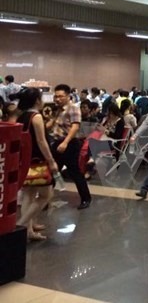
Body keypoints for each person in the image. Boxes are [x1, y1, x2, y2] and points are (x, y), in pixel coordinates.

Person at [13, 88, 59, 241]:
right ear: (37, 100)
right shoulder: (36, 116)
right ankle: (21, 225)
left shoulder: (21, 116)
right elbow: (41, 141)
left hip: (25, 160)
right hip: (38, 161)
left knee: (29, 195)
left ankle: (28, 231)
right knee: (46, 195)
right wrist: (51, 161)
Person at [45, 84, 92, 210]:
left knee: (75, 172)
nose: (57, 99)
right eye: (56, 96)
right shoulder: (57, 109)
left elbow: (75, 127)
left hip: (69, 144)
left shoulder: (73, 109)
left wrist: (65, 142)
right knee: (53, 171)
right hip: (56, 142)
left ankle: (86, 198)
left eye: (61, 96)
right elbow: (51, 125)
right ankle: (45, 199)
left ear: (68, 96)